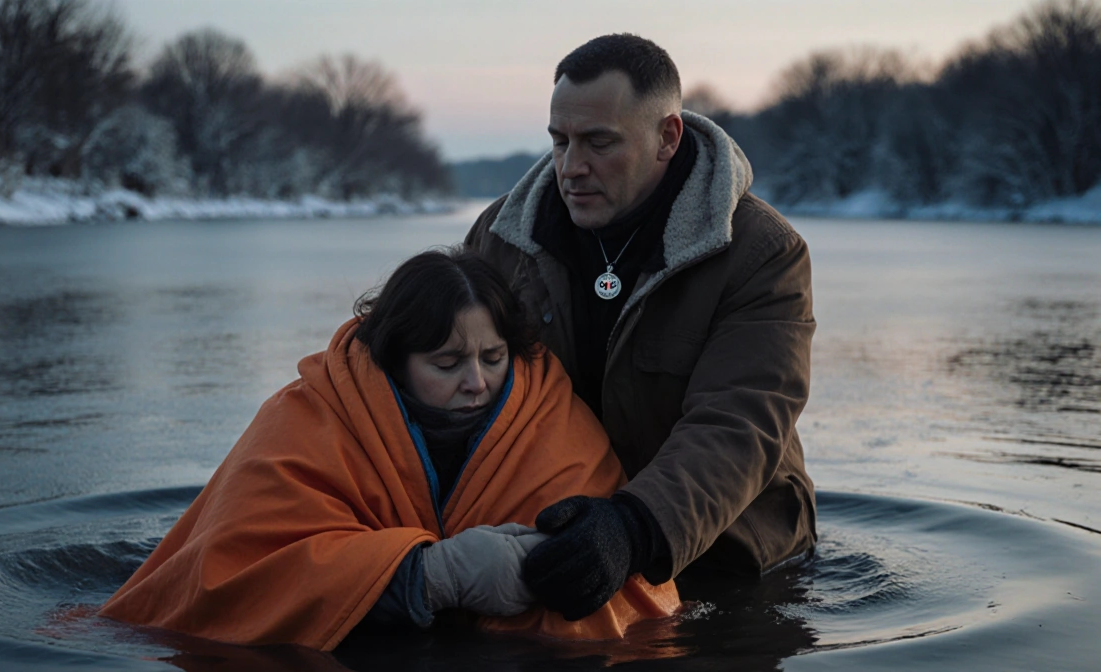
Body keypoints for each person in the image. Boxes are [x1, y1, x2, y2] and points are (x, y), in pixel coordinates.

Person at [99, 249, 679, 651]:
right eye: (446, 364)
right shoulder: (305, 417)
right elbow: (228, 579)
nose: (477, 382)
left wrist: (577, 561)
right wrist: (430, 577)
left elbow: (635, 598)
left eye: (493, 358)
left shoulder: (553, 418)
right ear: (394, 361)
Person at [465, 34, 817, 621]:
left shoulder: (763, 253)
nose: (571, 168)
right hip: (555, 539)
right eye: (560, 141)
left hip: (732, 559)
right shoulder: (499, 238)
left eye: (600, 143)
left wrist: (634, 526)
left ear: (667, 138)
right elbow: (425, 369)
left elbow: (740, 420)